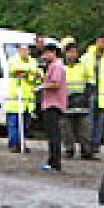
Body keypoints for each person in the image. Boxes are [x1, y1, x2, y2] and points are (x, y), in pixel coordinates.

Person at [37, 43, 67, 172]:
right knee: (52, 134)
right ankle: (52, 160)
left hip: (53, 104)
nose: (44, 56)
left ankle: (54, 162)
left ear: (53, 53)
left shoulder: (56, 66)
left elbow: (55, 84)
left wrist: (41, 87)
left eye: (46, 53)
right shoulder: (53, 66)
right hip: (51, 103)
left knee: (54, 134)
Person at [60, 38, 93, 158]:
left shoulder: (84, 67)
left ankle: (87, 151)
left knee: (85, 129)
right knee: (66, 129)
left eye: (74, 52)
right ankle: (69, 150)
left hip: (82, 102)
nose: (72, 54)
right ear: (65, 53)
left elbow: (90, 82)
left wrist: (87, 96)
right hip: (65, 102)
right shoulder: (60, 67)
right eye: (70, 52)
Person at [4, 43, 40, 152]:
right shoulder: (13, 60)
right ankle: (13, 144)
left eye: (26, 50)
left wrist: (28, 73)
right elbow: (15, 68)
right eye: (22, 50)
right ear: (18, 50)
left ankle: (21, 143)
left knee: (25, 125)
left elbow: (38, 75)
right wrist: (30, 71)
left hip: (27, 101)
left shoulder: (33, 61)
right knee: (14, 124)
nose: (25, 52)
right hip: (15, 99)